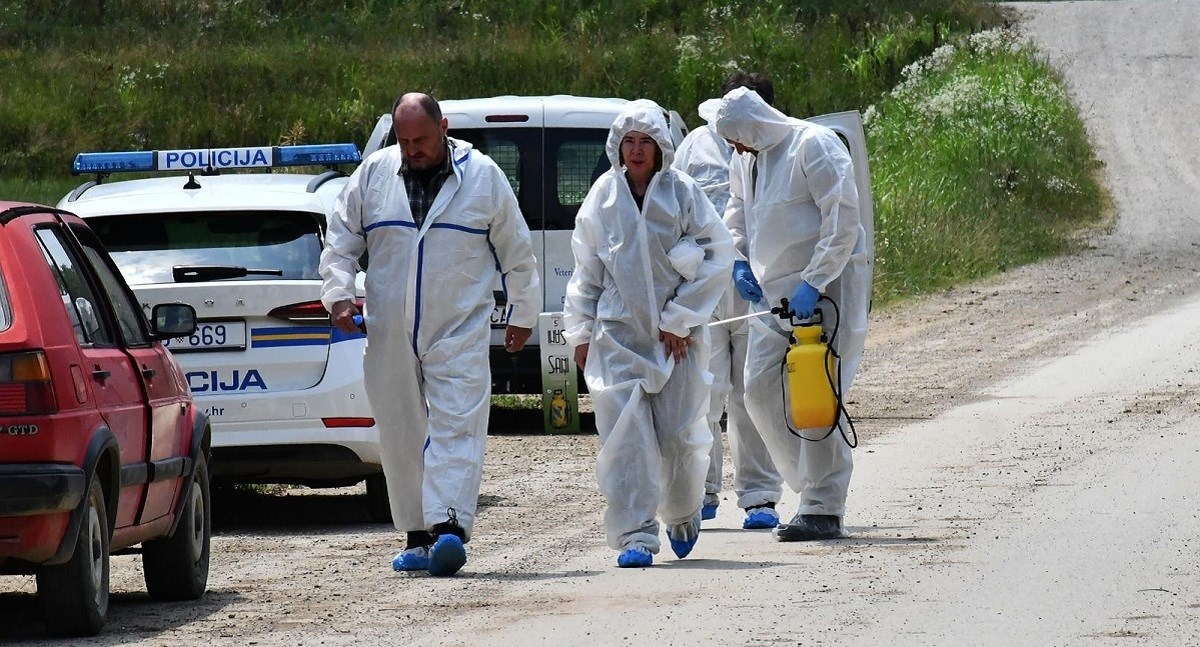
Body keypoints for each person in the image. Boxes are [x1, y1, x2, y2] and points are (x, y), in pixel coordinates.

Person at [319, 93, 540, 576]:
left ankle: (449, 529)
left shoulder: (482, 177)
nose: (412, 149)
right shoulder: (375, 174)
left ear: (444, 127)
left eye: (421, 139)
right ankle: (417, 535)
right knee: (400, 429)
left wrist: (524, 313)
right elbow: (339, 242)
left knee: (456, 423)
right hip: (389, 328)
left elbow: (516, 249)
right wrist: (337, 295)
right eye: (404, 140)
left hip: (457, 325)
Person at [563, 100, 733, 568]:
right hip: (617, 338)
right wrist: (579, 330)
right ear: (617, 147)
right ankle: (636, 534)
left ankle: (682, 512)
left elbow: (718, 255)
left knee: (678, 434)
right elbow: (587, 271)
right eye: (629, 142)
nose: (637, 152)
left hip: (676, 341)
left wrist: (679, 319)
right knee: (626, 441)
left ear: (661, 149)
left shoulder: (683, 194)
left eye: (647, 143)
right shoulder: (602, 197)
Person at [714, 87, 871, 541]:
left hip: (822, 291)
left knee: (815, 394)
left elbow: (843, 220)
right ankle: (809, 484)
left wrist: (815, 281)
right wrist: (739, 259)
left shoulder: (814, 146)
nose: (734, 147)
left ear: (755, 124)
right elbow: (737, 212)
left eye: (736, 138)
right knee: (759, 390)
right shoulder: (747, 158)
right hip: (770, 296)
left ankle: (823, 507)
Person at [672, 71, 785, 531]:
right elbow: (670, 205)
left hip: (759, 285)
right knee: (703, 390)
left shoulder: (779, 148)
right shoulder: (695, 145)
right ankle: (700, 489)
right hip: (703, 285)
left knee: (753, 391)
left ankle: (760, 496)